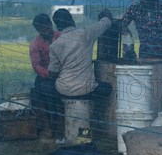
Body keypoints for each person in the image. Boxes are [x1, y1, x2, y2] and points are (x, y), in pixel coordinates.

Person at [48, 8, 113, 143]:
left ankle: (65, 132)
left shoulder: (55, 45)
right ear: (72, 20)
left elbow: (52, 73)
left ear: (58, 26)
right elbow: (105, 23)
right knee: (106, 88)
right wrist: (105, 16)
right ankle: (93, 123)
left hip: (64, 89)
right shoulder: (85, 34)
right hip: (85, 89)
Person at [120, 0, 162, 104]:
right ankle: (149, 105)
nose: (150, 5)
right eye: (147, 3)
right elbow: (122, 24)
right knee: (146, 78)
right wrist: (128, 36)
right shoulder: (135, 8)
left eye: (152, 3)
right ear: (142, 1)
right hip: (146, 48)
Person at [29, 14, 61, 138]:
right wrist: (49, 74)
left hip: (63, 74)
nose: (45, 30)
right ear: (37, 30)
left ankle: (59, 125)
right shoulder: (35, 44)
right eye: (41, 29)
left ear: (50, 24)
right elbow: (36, 65)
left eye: (46, 27)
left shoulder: (61, 37)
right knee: (37, 95)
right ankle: (47, 127)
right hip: (46, 76)